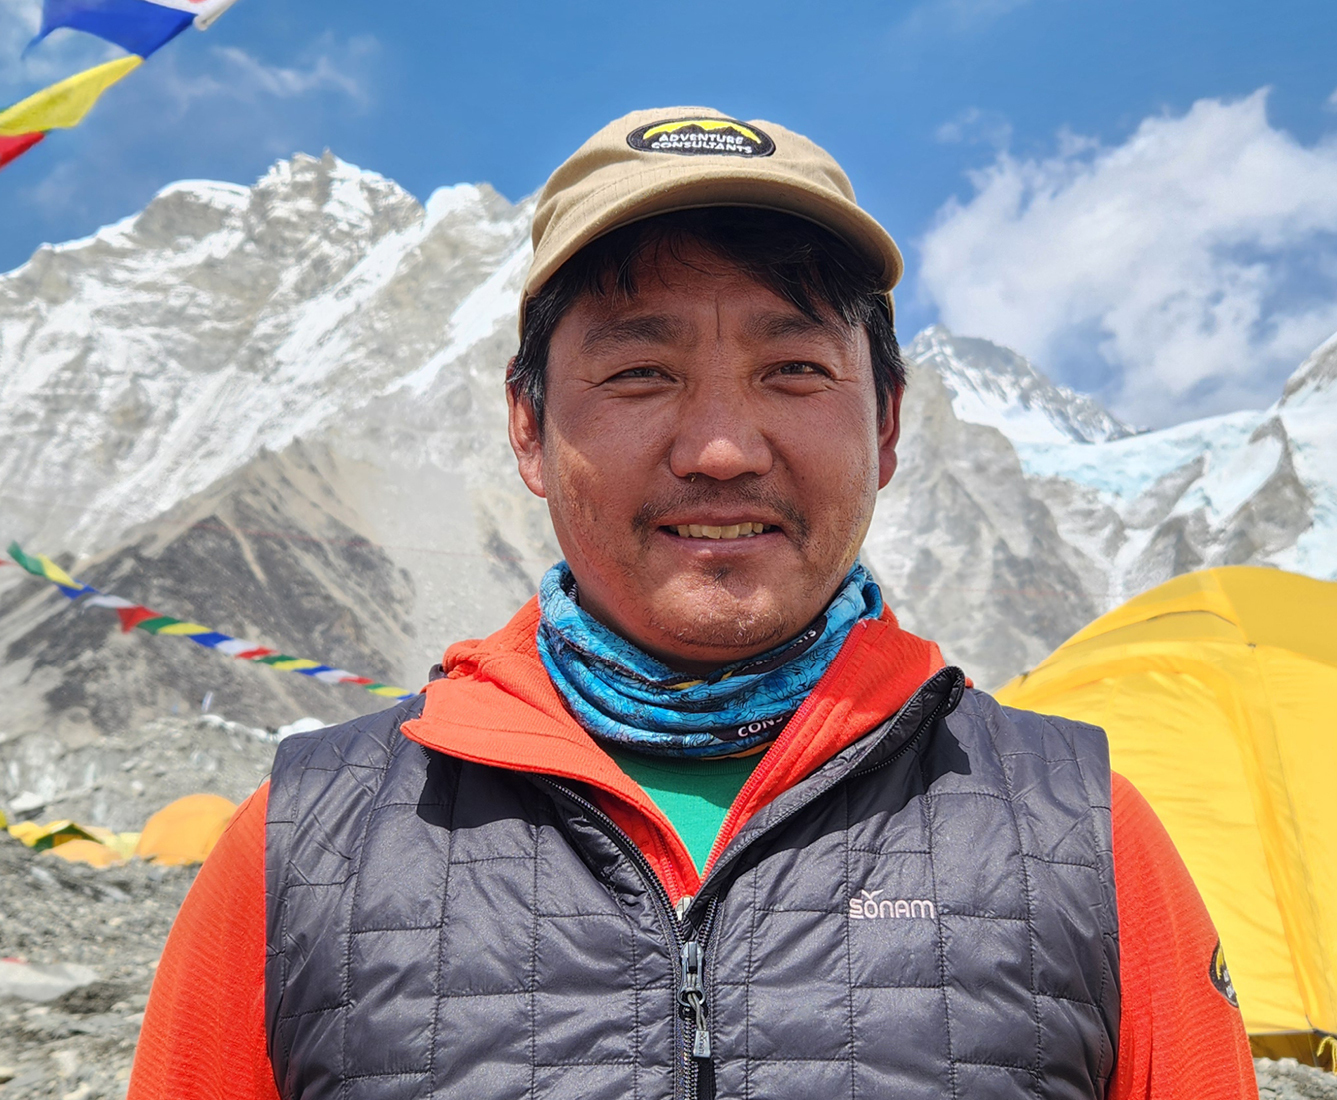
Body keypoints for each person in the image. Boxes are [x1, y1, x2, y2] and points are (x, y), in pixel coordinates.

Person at [128, 108, 1258, 1100]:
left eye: (795, 371)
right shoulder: (299, 848)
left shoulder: (1084, 838)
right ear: (528, 427)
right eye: (639, 373)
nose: (721, 448)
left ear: (888, 426)